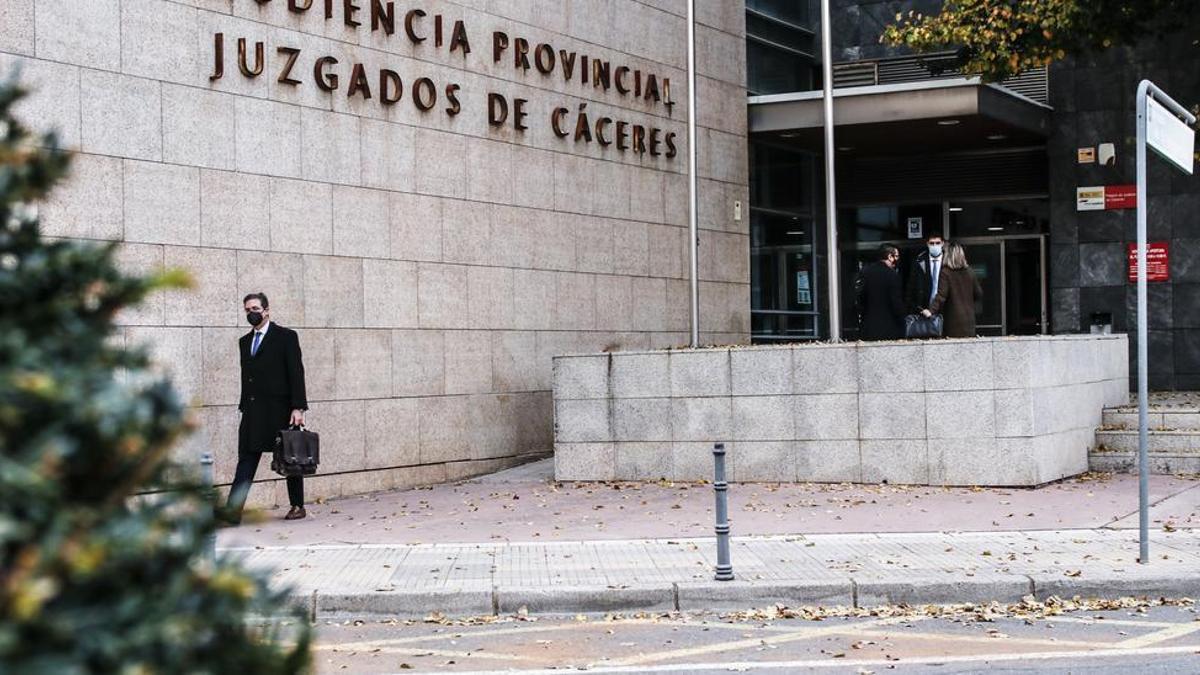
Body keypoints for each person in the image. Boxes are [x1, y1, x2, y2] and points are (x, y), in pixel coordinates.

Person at [218, 292, 309, 524]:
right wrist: (243, 406)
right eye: (247, 310)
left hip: (280, 409)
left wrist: (298, 407)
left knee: (291, 458)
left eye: (255, 309)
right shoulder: (244, 342)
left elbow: (296, 373)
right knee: (246, 460)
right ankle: (232, 512)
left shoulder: (286, 337)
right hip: (253, 412)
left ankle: (297, 506)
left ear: (266, 310)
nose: (251, 313)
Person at [922, 242, 983, 338]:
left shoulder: (946, 273)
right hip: (969, 320)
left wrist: (931, 310)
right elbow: (978, 293)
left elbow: (941, 295)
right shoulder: (970, 272)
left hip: (952, 321)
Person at [856, 244, 907, 341]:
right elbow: (896, 304)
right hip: (890, 329)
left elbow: (860, 299)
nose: (897, 259)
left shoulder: (865, 272)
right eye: (896, 256)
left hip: (868, 328)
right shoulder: (893, 276)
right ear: (889, 257)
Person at [906, 232, 945, 315]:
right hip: (924, 309)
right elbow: (911, 286)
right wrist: (917, 308)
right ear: (927, 244)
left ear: (942, 243)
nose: (935, 246)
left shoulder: (948, 261)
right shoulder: (919, 261)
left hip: (945, 307)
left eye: (937, 243)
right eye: (932, 243)